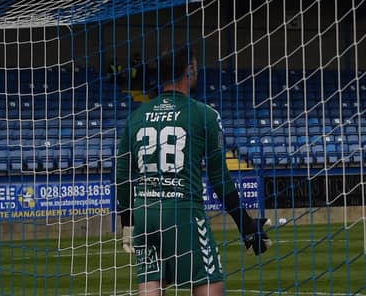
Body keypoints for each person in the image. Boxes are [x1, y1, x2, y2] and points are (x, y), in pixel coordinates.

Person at [116, 44, 270, 296]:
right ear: (188, 71)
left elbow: (122, 174)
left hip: (145, 214)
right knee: (210, 281)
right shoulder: (204, 115)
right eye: (195, 70)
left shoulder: (137, 115)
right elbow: (220, 178)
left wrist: (127, 222)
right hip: (183, 211)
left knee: (151, 283)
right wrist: (245, 225)